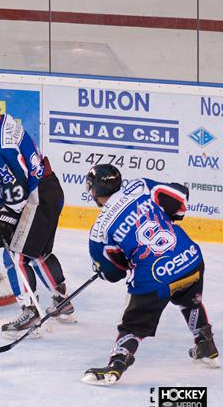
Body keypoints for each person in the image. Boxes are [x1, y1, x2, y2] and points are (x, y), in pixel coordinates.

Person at [81, 164, 218, 385]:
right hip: (190, 259)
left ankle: (116, 365)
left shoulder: (99, 232)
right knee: (189, 299)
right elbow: (181, 198)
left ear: (94, 192)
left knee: (132, 326)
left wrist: (110, 268)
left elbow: (114, 272)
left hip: (155, 278)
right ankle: (205, 345)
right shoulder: (140, 186)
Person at [0, 88, 73, 337]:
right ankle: (61, 301)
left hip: (35, 198)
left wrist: (6, 219)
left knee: (15, 254)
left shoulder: (2, 142)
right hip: (48, 190)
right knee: (39, 252)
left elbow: (19, 186)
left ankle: (29, 313)